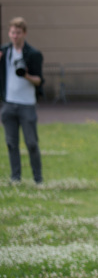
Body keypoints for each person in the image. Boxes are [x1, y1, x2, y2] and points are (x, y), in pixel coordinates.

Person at [1, 17, 45, 185]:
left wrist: (25, 75)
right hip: (8, 104)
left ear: (24, 33)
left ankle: (38, 179)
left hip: (27, 105)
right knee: (11, 144)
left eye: (18, 33)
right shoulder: (4, 52)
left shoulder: (33, 54)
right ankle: (15, 178)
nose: (15, 36)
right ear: (9, 33)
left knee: (31, 143)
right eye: (12, 32)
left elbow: (39, 80)